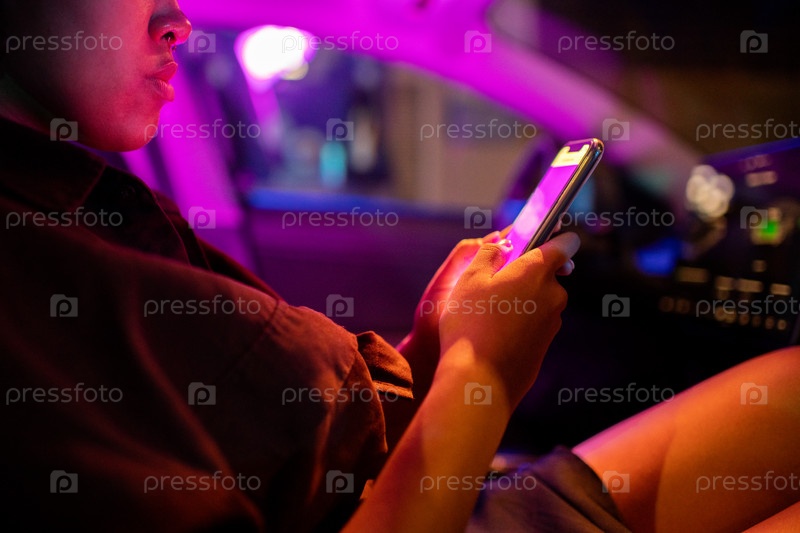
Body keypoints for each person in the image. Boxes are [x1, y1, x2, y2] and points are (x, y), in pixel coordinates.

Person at [0, 1, 798, 532]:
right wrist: (483, 372)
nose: (177, 21)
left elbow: (293, 446)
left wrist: (433, 343)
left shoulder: (84, 203)